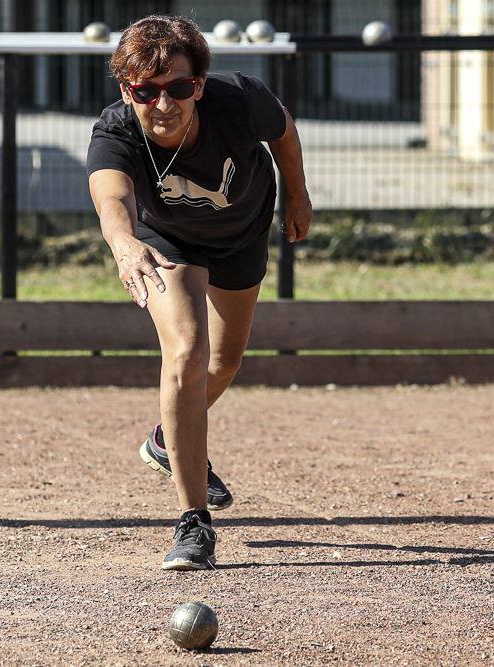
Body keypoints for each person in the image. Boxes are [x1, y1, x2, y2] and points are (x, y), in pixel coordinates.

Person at [87, 15, 312, 569]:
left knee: (224, 365)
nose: (164, 104)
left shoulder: (239, 99)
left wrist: (298, 195)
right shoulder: (116, 132)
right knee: (187, 350)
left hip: (243, 234)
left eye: (179, 88)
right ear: (126, 90)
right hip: (166, 241)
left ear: (200, 85)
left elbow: (282, 131)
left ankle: (166, 439)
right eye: (146, 91)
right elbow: (111, 199)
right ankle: (193, 524)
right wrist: (124, 246)